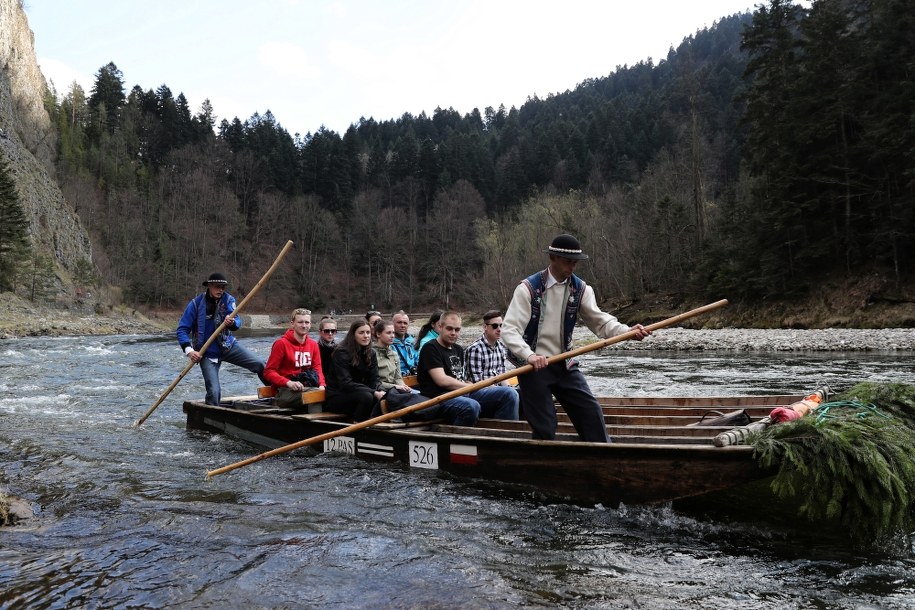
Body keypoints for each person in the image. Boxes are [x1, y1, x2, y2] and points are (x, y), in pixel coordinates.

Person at [502, 234, 650, 442]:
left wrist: (626, 331)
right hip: (533, 367)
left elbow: (600, 321)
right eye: (567, 262)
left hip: (564, 363)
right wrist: (529, 355)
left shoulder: (581, 289)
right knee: (545, 425)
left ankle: (601, 457)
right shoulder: (527, 289)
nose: (571, 268)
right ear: (553, 258)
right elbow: (509, 330)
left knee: (591, 413)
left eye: (575, 263)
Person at [176, 272, 265, 405]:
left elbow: (237, 322)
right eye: (217, 287)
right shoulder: (195, 304)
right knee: (214, 391)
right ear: (209, 286)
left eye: (223, 287)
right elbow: (182, 330)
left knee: (260, 365)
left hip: (228, 347)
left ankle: (277, 393)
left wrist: (232, 322)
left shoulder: (229, 300)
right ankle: (212, 416)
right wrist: (189, 351)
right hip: (206, 354)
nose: (221, 290)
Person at [417, 311, 519, 425]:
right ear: (440, 327)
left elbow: (460, 377)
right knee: (471, 406)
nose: (453, 333)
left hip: (462, 393)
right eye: (449, 329)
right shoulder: (430, 348)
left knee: (509, 394)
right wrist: (470, 386)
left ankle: (503, 437)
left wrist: (470, 384)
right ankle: (461, 440)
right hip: (440, 398)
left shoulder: (458, 349)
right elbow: (442, 381)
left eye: (457, 330)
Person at [263, 308, 326, 408]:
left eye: (307, 322)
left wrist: (322, 385)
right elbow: (268, 372)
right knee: (315, 395)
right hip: (284, 391)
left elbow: (317, 368)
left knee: (328, 392)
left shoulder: (313, 345)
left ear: (310, 324)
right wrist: (288, 383)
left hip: (307, 387)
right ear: (292, 324)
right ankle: (314, 422)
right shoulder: (281, 344)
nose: (304, 325)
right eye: (300, 322)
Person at [324, 320, 385, 421]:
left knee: (384, 395)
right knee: (366, 397)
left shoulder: (371, 353)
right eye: (361, 333)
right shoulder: (341, 353)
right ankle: (357, 424)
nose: (366, 336)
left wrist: (380, 390)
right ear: (353, 335)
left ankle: (375, 424)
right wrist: (373, 392)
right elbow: (346, 383)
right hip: (338, 395)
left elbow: (374, 378)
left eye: (368, 333)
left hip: (360, 391)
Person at [372, 320, 431, 419]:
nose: (392, 336)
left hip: (396, 390)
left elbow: (398, 377)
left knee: (426, 400)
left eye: (393, 333)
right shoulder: (371, 354)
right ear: (378, 334)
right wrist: (396, 386)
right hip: (382, 391)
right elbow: (374, 382)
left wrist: (403, 386)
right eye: (388, 333)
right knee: (418, 402)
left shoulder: (394, 354)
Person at [464, 309, 512, 384]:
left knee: (522, 392)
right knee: (510, 392)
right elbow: (477, 382)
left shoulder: (501, 347)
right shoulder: (475, 349)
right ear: (485, 327)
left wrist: (509, 388)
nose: (499, 329)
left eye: (501, 325)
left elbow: (502, 375)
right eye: (495, 326)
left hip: (497, 389)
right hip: (480, 390)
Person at [391, 310, 418, 376]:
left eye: (405, 323)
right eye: (399, 322)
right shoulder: (388, 344)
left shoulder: (413, 342)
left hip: (414, 378)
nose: (402, 325)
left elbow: (418, 360)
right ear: (392, 324)